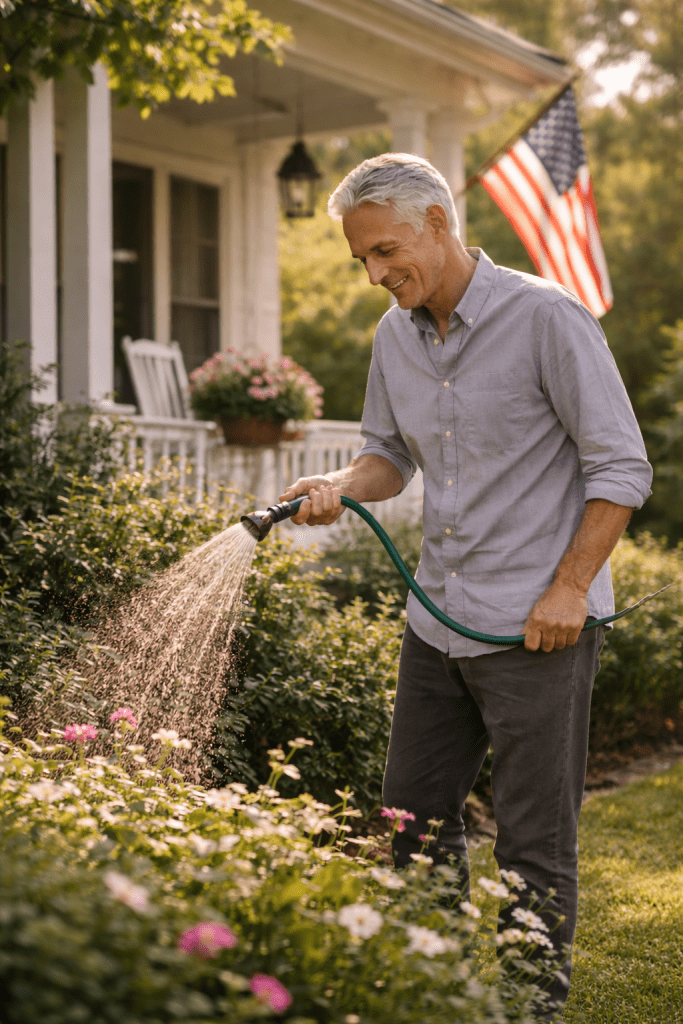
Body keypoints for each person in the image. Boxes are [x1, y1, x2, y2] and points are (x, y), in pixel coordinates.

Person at [280, 153, 652, 1020]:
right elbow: (388, 458)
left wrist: (569, 587)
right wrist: (338, 484)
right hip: (435, 625)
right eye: (361, 261)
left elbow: (620, 466)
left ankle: (529, 1008)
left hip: (537, 630)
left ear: (438, 223)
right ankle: (432, 995)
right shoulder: (391, 336)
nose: (375, 274)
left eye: (383, 251)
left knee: (532, 843)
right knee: (409, 825)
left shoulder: (547, 318)